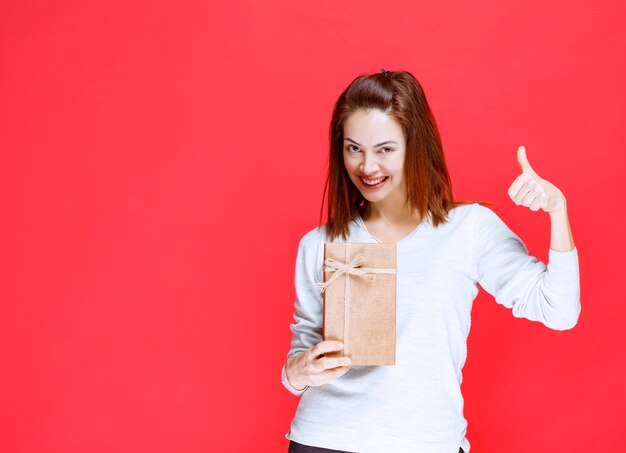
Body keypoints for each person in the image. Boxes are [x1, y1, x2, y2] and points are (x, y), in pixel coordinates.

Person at [281, 69, 580, 453]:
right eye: (354, 148)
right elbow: (299, 358)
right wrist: (298, 370)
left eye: (385, 149)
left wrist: (558, 211)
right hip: (324, 439)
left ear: (414, 145)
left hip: (426, 441)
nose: (367, 166)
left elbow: (561, 311)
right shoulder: (319, 243)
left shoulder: (467, 229)